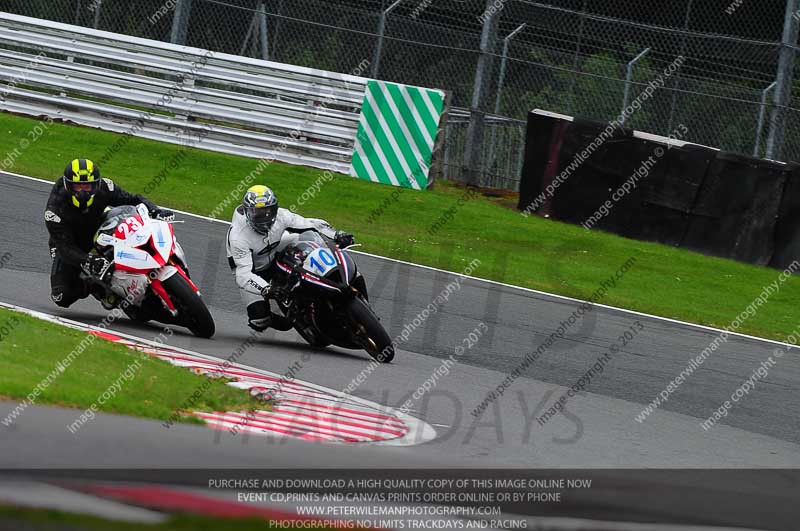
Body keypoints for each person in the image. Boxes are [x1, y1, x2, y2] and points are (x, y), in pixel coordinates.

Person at [45, 159, 174, 308]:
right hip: (71, 243)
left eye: (87, 186)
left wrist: (155, 210)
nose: (83, 192)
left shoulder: (105, 187)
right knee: (61, 296)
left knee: (133, 221)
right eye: (77, 186)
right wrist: (88, 260)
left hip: (99, 227)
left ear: (96, 185)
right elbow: (64, 247)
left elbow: (132, 199)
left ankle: (156, 258)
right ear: (68, 186)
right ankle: (95, 286)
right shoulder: (55, 209)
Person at [226, 185, 354, 332]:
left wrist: (337, 234)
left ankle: (320, 275)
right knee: (260, 320)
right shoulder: (238, 237)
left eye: (268, 211)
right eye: (258, 213)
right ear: (248, 212)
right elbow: (243, 274)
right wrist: (267, 289)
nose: (265, 217)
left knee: (305, 239)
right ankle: (294, 318)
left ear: (274, 208)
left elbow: (310, 224)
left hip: (276, 249)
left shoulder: (281, 215)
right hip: (255, 270)